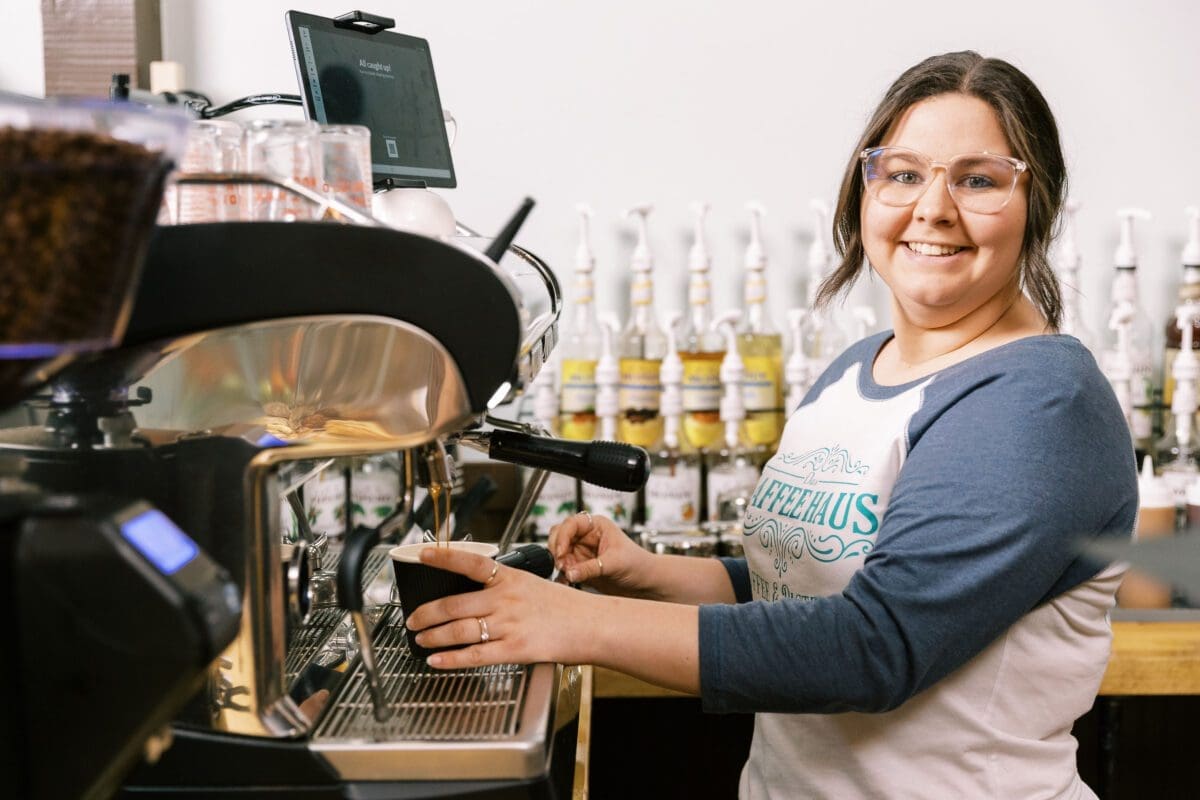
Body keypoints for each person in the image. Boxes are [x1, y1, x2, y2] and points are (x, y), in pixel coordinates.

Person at [404, 50, 1137, 799]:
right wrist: (647, 576)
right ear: (864, 190)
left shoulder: (1039, 401)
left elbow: (871, 645)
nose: (933, 208)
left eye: (978, 179)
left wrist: (574, 622)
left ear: (1035, 202)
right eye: (904, 173)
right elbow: (803, 589)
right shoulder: (857, 371)